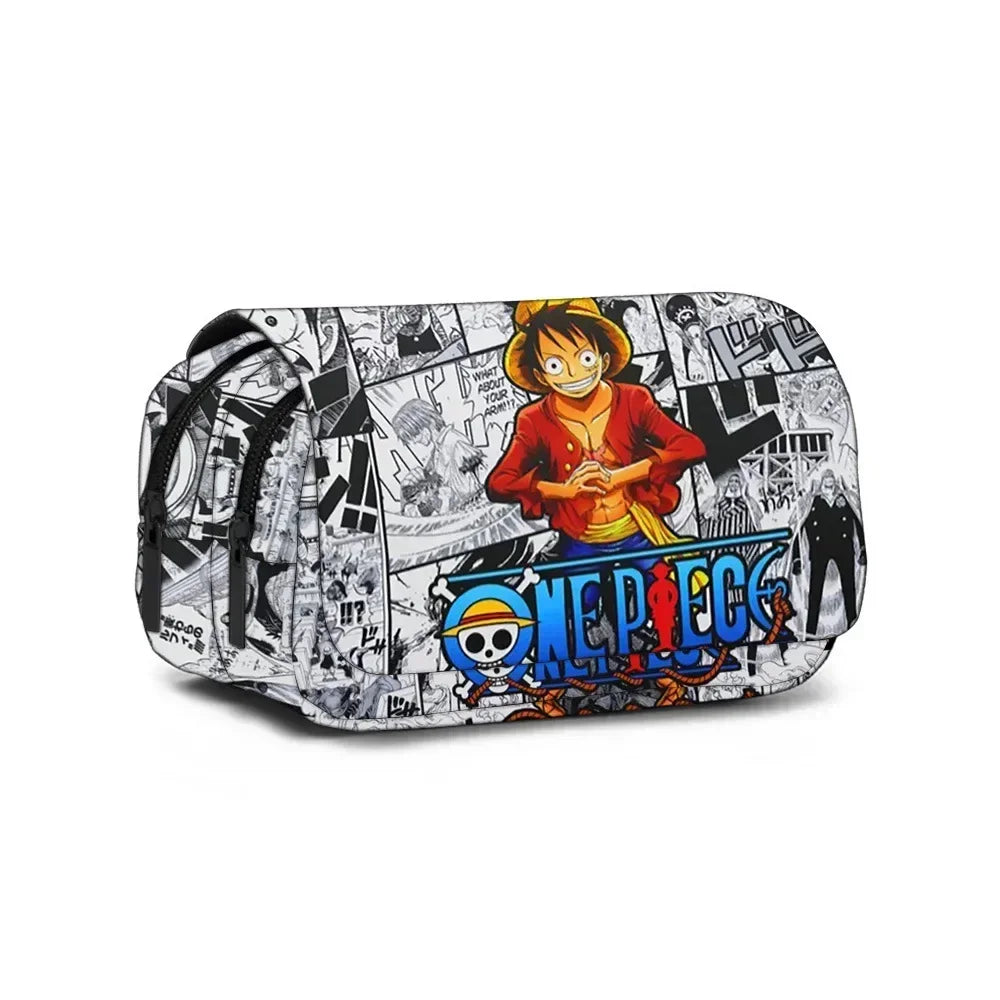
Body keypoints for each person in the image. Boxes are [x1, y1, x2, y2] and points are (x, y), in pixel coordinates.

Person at [486, 298, 705, 578]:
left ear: (603, 359)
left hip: (637, 530)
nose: (573, 374)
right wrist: (564, 490)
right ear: (540, 375)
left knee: (670, 592)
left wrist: (620, 477)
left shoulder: (633, 399)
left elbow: (690, 446)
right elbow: (500, 483)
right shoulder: (533, 419)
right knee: (574, 602)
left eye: (585, 359)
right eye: (555, 365)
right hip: (580, 542)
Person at [792, 469, 866, 635]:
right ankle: (811, 631)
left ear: (835, 480)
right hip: (820, 549)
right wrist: (796, 557)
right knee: (815, 592)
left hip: (844, 548)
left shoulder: (846, 498)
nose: (829, 480)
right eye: (826, 477)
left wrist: (862, 548)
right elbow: (799, 528)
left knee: (849, 589)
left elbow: (858, 522)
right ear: (821, 481)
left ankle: (852, 621)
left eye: (831, 477)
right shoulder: (812, 501)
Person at [392, 398, 484, 514]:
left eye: (414, 435)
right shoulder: (437, 451)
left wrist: (441, 497)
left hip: (467, 514)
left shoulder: (454, 442)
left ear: (428, 422)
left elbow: (469, 492)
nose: (414, 441)